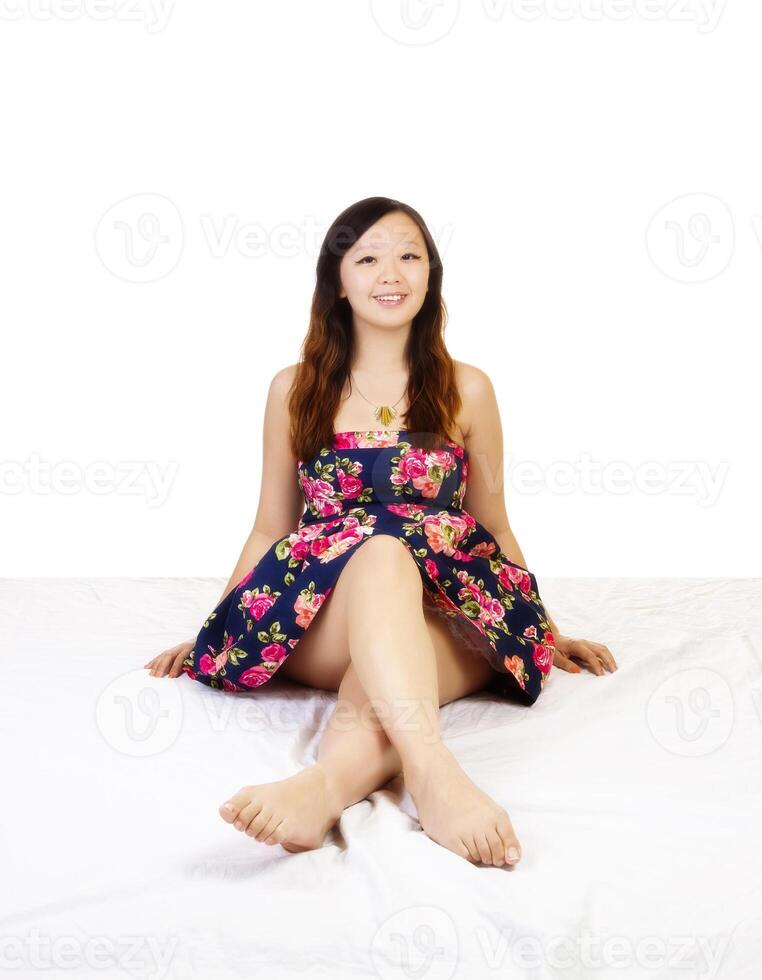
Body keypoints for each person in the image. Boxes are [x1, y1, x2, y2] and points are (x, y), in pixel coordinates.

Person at [144, 196, 617, 867]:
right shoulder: (294, 389)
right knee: (382, 556)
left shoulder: (467, 389)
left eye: (408, 255)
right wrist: (214, 628)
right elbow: (268, 529)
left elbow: (495, 525)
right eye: (367, 258)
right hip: (325, 609)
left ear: (430, 275)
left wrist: (541, 623)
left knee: (391, 678)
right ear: (338, 280)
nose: (389, 272)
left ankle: (320, 790)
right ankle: (433, 771)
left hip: (447, 609)